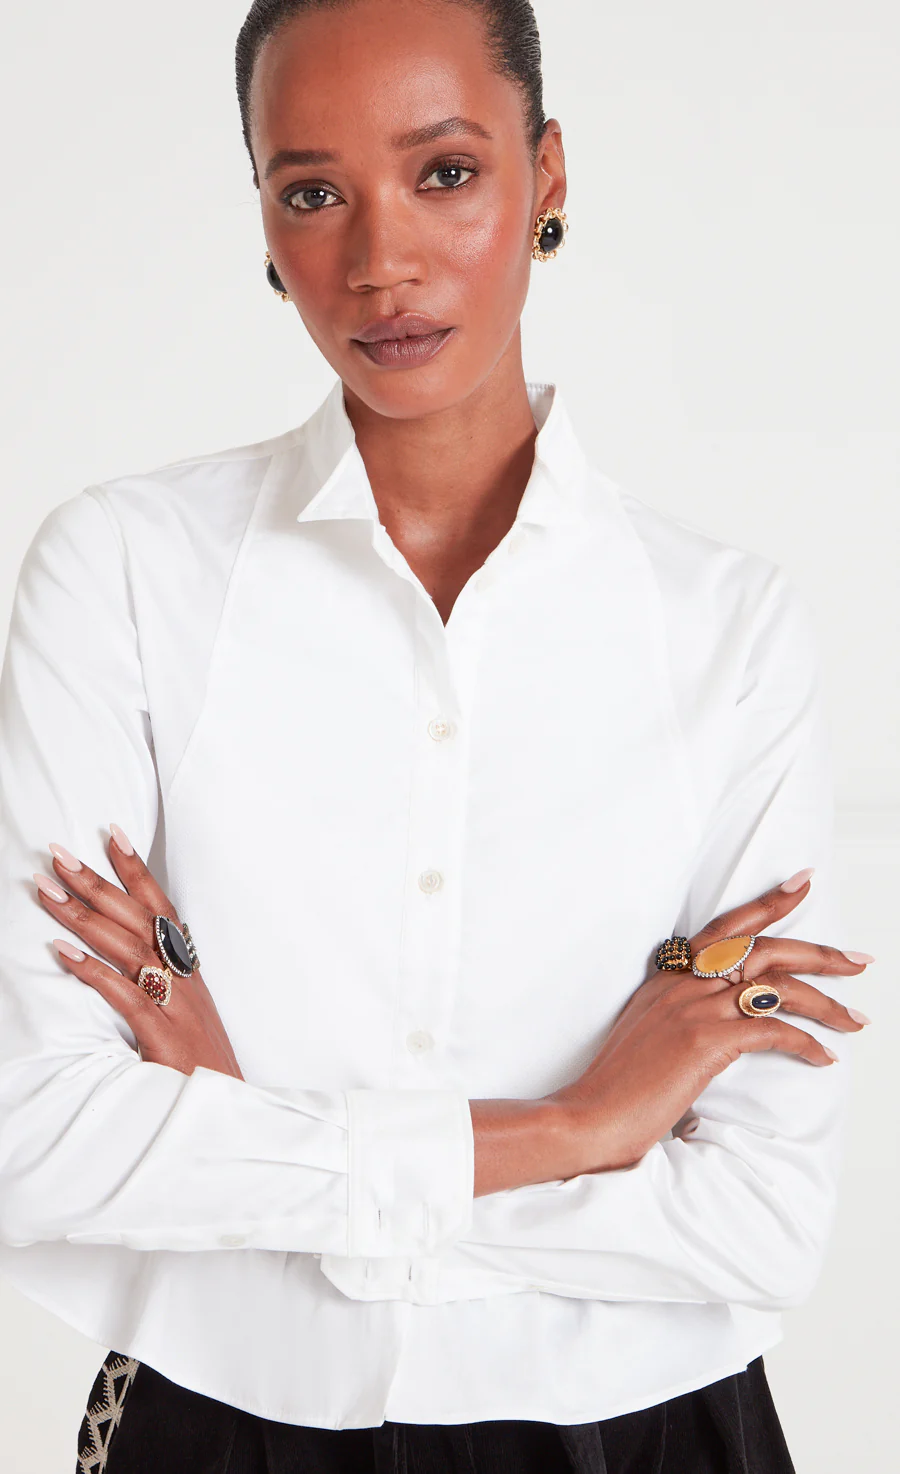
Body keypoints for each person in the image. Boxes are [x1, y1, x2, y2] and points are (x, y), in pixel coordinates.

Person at [0, 2, 873, 1471]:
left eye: (446, 172)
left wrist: (241, 1132)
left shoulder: (725, 627)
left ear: (548, 176)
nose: (381, 261)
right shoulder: (127, 575)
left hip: (647, 1433)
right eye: (313, 192)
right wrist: (583, 1129)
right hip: (225, 1420)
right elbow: (38, 1140)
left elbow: (759, 1218)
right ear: (264, 221)